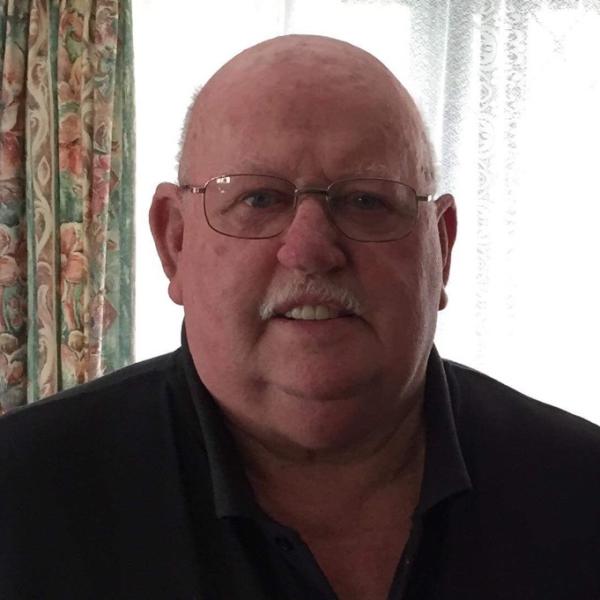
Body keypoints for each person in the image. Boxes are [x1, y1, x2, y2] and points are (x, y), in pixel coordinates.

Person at [1, 34, 599, 600]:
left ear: (440, 247)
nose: (311, 250)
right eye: (258, 198)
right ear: (174, 242)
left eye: (367, 200)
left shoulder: (581, 490)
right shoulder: (19, 499)